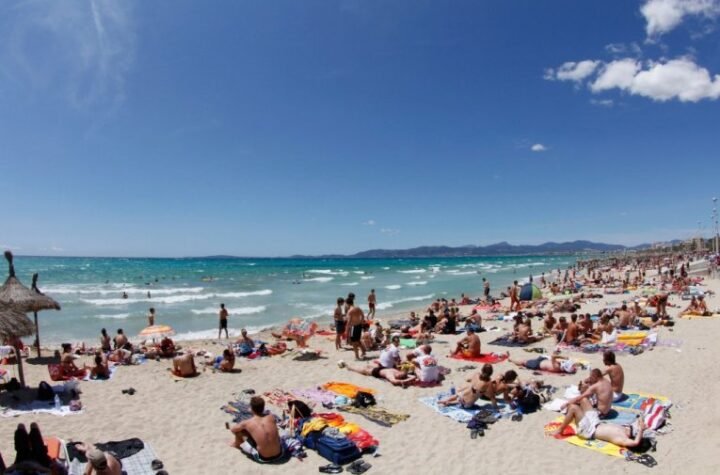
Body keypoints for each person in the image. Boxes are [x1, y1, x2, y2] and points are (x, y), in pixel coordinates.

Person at [553, 403, 647, 448]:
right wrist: (641, 426)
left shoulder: (623, 438)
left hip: (589, 431)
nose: (638, 427)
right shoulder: (628, 428)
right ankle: (570, 413)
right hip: (596, 423)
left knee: (574, 408)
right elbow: (641, 418)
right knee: (584, 401)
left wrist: (641, 430)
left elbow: (635, 443)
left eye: (638, 429)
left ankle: (560, 430)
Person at [229, 396, 284, 462]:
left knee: (239, 432)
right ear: (263, 408)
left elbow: (233, 430)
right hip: (280, 454)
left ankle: (236, 444)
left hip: (264, 458)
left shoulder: (247, 423)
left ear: (251, 408)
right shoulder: (271, 417)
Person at [341, 361, 417, 387]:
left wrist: (404, 381)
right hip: (382, 368)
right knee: (368, 366)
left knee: (363, 370)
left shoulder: (392, 375)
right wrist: (410, 378)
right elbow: (412, 376)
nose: (400, 374)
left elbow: (394, 381)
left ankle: (349, 367)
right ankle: (365, 365)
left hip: (376, 372)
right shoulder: (400, 373)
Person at [509, 351, 576, 374]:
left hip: (537, 364)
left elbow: (553, 357)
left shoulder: (557, 367)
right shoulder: (559, 367)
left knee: (523, 361)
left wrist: (563, 357)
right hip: (543, 360)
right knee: (525, 361)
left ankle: (511, 360)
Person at [344, 296, 366, 360]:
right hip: (359, 326)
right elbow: (362, 315)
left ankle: (357, 356)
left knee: (354, 342)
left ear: (347, 304)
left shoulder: (350, 311)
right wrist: (361, 322)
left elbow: (349, 322)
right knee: (358, 340)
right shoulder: (358, 308)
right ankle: (363, 351)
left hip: (353, 327)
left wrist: (346, 330)